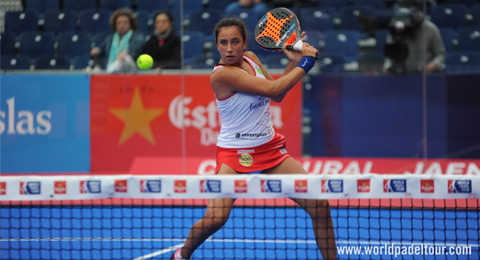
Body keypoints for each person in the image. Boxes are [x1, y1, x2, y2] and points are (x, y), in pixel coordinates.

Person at [171, 17, 337, 260]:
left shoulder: (251, 58)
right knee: (215, 218)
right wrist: (306, 61)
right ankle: (182, 255)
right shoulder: (221, 76)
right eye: (224, 43)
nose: (229, 48)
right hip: (233, 153)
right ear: (216, 45)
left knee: (320, 206)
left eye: (235, 42)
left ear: (244, 42)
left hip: (269, 149)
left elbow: (276, 94)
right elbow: (274, 90)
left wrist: (292, 64)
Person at [383, 0, 445, 74]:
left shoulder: (431, 29)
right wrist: (388, 66)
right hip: (403, 75)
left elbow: (440, 54)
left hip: (426, 75)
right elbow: (389, 56)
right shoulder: (396, 30)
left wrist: (434, 64)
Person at [90, 8, 145, 73]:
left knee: (126, 58)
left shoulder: (137, 36)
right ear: (115, 25)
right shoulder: (110, 38)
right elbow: (102, 50)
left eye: (125, 23)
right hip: (113, 64)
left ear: (131, 24)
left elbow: (138, 49)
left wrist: (127, 52)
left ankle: (109, 74)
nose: (122, 26)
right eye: (119, 23)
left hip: (131, 67)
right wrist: (97, 50)